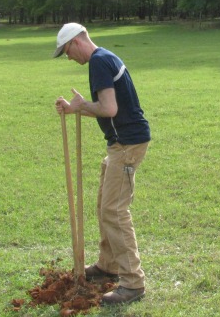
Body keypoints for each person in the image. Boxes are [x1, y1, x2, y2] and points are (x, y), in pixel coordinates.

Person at [53, 23, 151, 305]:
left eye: (66, 51)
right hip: (121, 144)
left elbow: (108, 109)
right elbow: (107, 111)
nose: (69, 58)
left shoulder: (98, 62)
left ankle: (133, 283)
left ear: (76, 42)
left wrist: (81, 106)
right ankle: (108, 264)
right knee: (104, 205)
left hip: (127, 145)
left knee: (114, 209)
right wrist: (76, 108)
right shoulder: (104, 58)